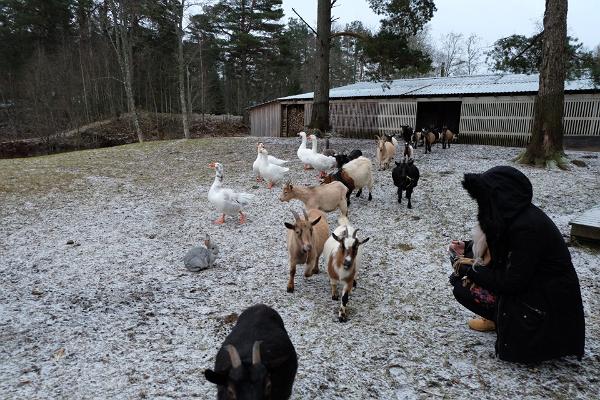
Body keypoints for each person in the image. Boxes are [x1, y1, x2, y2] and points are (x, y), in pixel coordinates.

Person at [450, 165, 585, 363]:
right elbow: (500, 248)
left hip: (544, 304)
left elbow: (511, 282)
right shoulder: (513, 217)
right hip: (533, 291)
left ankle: (507, 321)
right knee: (461, 286)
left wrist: (470, 270)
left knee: (467, 281)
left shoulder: (526, 229)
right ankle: (499, 318)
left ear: (499, 197)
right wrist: (468, 247)